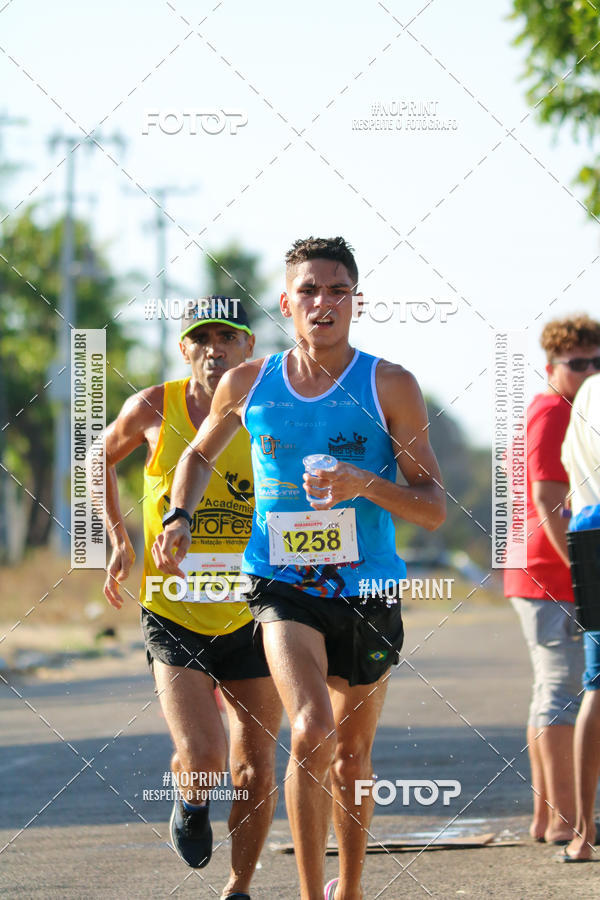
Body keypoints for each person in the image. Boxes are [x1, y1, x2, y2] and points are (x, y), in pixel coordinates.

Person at [152, 236, 446, 900]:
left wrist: (363, 484)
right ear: (287, 303)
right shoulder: (249, 384)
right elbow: (197, 457)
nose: (323, 303)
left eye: (337, 290)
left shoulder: (390, 384)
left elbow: (432, 507)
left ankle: (352, 888)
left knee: (351, 757)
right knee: (310, 726)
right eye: (308, 291)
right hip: (280, 582)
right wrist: (180, 515)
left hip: (368, 586)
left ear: (354, 302)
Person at [99, 298, 282, 900]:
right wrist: (117, 536)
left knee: (254, 767)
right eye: (201, 339)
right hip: (174, 608)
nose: (214, 350)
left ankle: (239, 887)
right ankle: (191, 797)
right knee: (204, 755)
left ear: (247, 349)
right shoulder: (155, 406)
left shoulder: (270, 407)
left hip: (254, 610)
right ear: (185, 349)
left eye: (227, 339)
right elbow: (95, 456)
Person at [504, 314, 600, 844]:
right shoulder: (553, 411)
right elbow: (546, 498)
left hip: (541, 569)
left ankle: (548, 817)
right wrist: (581, 573)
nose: (589, 372)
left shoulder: (563, 409)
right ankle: (565, 817)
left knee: (551, 691)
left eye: (597, 361)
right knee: (564, 691)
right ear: (551, 367)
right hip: (550, 569)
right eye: (577, 363)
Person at [560, 372, 600, 861]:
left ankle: (584, 834)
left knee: (596, 684)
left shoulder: (589, 389)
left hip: (590, 528)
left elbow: (571, 469)